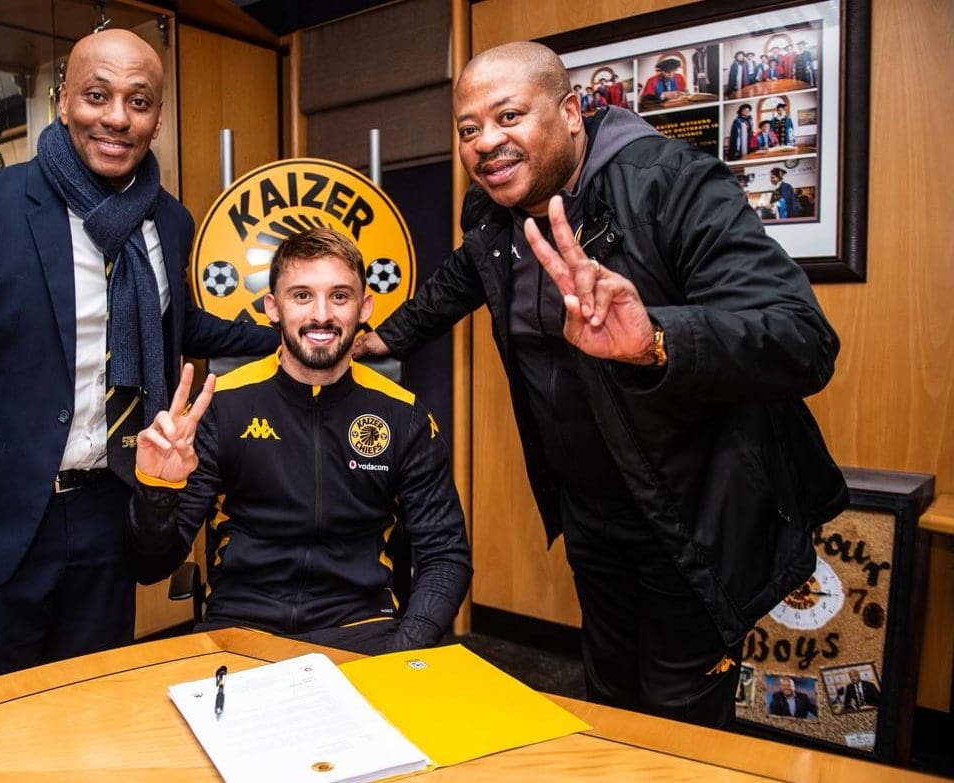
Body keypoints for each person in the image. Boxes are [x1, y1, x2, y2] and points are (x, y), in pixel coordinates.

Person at [354, 41, 846, 728]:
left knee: (677, 725)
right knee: (609, 695)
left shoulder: (671, 183)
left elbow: (802, 338)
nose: (487, 142)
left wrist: (658, 340)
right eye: (469, 129)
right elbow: (462, 278)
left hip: (692, 512)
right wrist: (384, 336)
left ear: (572, 111)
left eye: (509, 116)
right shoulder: (493, 214)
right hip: (590, 512)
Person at [0, 29, 278, 688]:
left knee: (91, 715)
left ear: (157, 118)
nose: (116, 118)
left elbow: (175, 322)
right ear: (64, 97)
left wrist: (287, 334)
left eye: (139, 102)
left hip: (107, 517)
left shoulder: (169, 221)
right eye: (97, 95)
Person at [126, 228, 472, 654]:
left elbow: (445, 555)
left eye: (340, 296)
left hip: (363, 631)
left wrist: (404, 650)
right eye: (302, 296)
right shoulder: (219, 409)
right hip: (239, 631)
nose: (322, 315)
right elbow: (151, 565)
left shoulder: (405, 417)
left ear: (364, 307)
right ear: (273, 307)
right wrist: (158, 489)